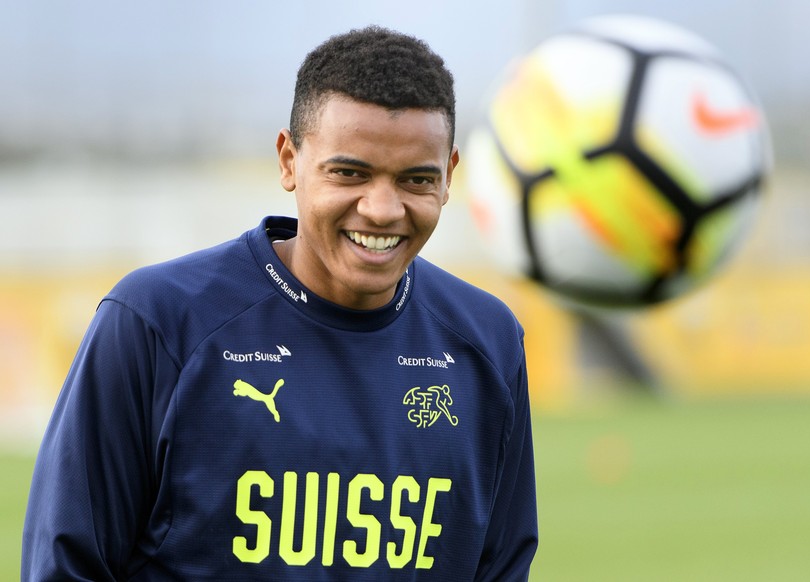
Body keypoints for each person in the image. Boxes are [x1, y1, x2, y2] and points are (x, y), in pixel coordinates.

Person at [22, 25, 538, 580]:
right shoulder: (157, 321)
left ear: (448, 177)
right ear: (289, 160)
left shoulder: (487, 341)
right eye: (349, 173)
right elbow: (67, 563)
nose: (383, 209)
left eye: (415, 179)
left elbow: (500, 566)